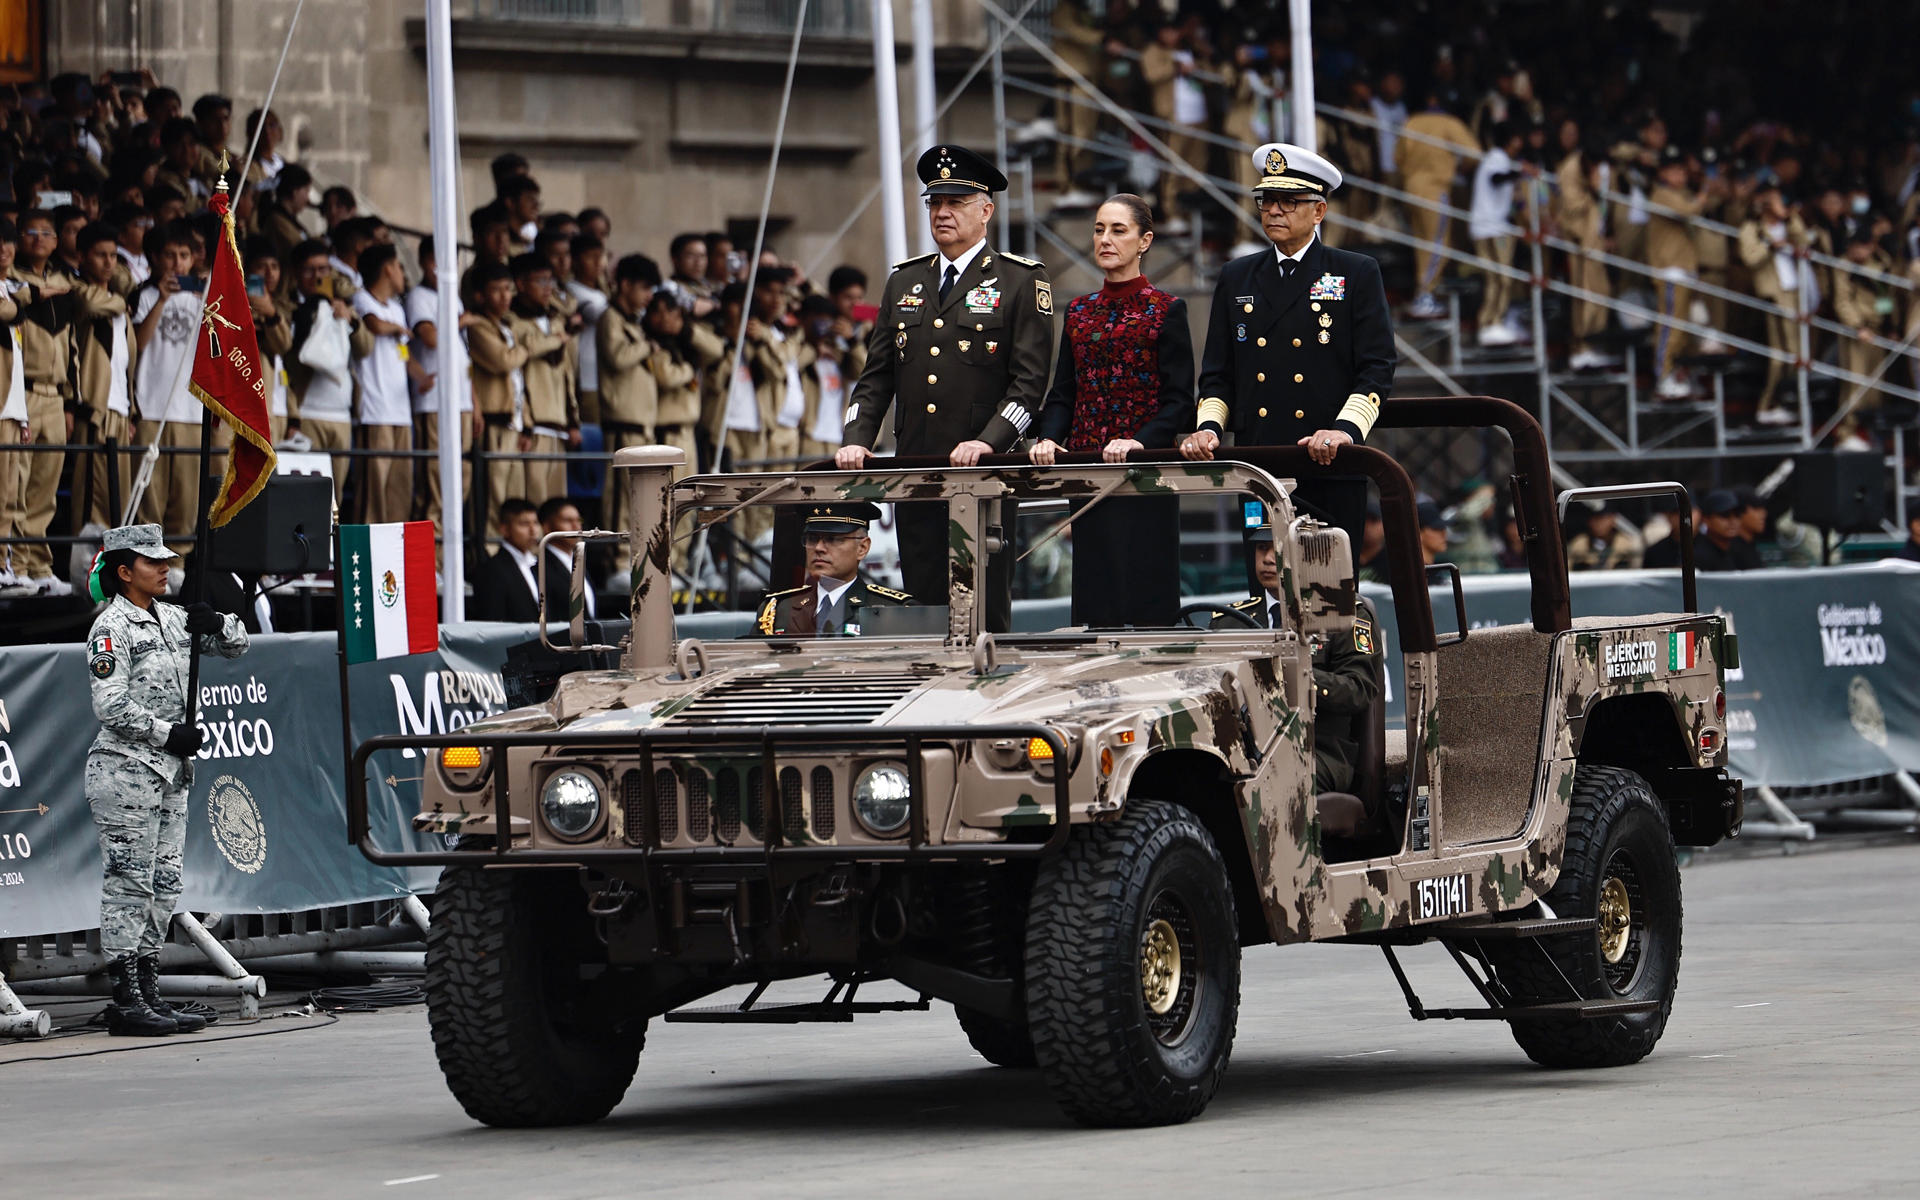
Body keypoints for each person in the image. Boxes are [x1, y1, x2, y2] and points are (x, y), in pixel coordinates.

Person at [837, 145, 1055, 633]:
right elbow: (876, 377)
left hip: (982, 474)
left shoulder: (1020, 280)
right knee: (923, 604)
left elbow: (1029, 384)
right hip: (917, 469)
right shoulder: (905, 280)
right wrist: (856, 438)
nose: (942, 213)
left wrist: (990, 441)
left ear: (986, 210)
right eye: (935, 203)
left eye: (955, 202)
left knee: (982, 608)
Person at [1180, 142, 1396, 546]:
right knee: (1263, 581)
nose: (1274, 210)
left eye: (1289, 201)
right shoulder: (1237, 276)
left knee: (1330, 587)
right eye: (1266, 201)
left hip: (1329, 460)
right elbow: (1218, 374)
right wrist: (1208, 429)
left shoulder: (1354, 272)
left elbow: (1377, 367)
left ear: (1319, 211)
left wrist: (1344, 430)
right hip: (1260, 463)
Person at [85, 523, 247, 1035]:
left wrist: (218, 621)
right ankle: (125, 996)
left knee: (164, 883)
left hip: (172, 774)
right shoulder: (111, 627)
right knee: (129, 883)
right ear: (124, 572)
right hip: (126, 770)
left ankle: (150, 992)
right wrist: (164, 734)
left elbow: (237, 647)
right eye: (153, 562)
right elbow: (109, 703)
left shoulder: (174, 619)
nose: (165, 568)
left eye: (166, 560)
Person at [1028, 193, 1193, 628]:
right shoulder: (1079, 312)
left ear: (1145, 241)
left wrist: (1139, 441)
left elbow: (1178, 402)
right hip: (1088, 471)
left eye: (1118, 230)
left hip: (1145, 473)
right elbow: (1064, 393)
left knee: (1146, 598)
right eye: (1099, 229)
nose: (1105, 239)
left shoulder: (1167, 310)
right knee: (1095, 601)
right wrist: (1049, 438)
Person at [1217, 506, 1379, 797]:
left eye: (1278, 548)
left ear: (1306, 555)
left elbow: (1359, 690)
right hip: (1241, 748)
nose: (1267, 559)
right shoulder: (1230, 620)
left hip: (1316, 750)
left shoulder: (1342, 613)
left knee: (1270, 785)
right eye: (1261, 548)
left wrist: (1290, 673)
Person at [753, 502, 912, 636]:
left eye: (832, 539)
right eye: (812, 539)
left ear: (862, 548)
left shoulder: (894, 611)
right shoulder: (778, 609)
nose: (819, 548)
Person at [351, 242, 414, 523]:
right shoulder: (362, 298)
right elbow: (374, 325)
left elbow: (404, 355)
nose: (402, 273)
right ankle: (368, 551)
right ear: (388, 269)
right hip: (374, 408)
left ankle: (394, 552)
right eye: (400, 267)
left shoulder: (398, 309)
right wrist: (399, 329)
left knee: (400, 486)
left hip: (401, 411)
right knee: (374, 486)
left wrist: (424, 378)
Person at [1735, 183, 1809, 425]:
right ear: (1766, 204)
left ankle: (1787, 400)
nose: (1783, 205)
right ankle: (1768, 404)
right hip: (1773, 295)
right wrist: (1770, 245)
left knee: (1798, 353)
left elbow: (1804, 242)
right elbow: (1749, 258)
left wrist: (1792, 218)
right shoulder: (1751, 228)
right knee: (1781, 356)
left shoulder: (1788, 226)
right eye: (1778, 201)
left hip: (1794, 292)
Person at [473, 497, 543, 622]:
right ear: (504, 529)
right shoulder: (492, 570)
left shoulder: (539, 565)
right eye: (524, 524)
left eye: (536, 523)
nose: (533, 531)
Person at [538, 496, 598, 622]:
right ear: (547, 527)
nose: (576, 526)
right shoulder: (540, 566)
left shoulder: (578, 561)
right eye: (567, 521)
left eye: (578, 520)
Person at [1565, 500, 1645, 570]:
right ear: (1589, 521)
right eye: (1595, 519)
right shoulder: (1579, 544)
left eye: (1603, 518)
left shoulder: (1626, 544)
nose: (1599, 524)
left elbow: (1636, 572)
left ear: (1612, 519)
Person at [1694, 489, 1760, 571]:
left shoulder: (1737, 551)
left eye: (1737, 515)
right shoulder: (1699, 556)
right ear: (1706, 519)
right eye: (1725, 515)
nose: (1733, 521)